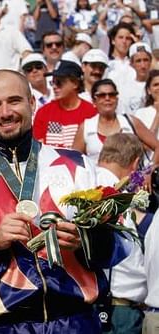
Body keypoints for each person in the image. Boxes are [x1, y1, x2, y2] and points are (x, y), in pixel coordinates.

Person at [0, 69, 124, 333]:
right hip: (5, 326)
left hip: (75, 321)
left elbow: (118, 247)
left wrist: (86, 241)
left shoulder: (78, 165)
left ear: (32, 103)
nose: (5, 112)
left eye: (14, 101)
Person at [97, 133, 148, 334]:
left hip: (92, 305)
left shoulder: (81, 182)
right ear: (135, 163)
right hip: (118, 311)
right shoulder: (118, 195)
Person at [72, 79, 159, 164]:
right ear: (94, 101)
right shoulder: (86, 127)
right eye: (102, 95)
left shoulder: (131, 122)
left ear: (117, 99)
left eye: (112, 95)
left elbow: (157, 146)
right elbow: (73, 160)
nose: (107, 98)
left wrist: (149, 170)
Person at [33, 60, 97, 148]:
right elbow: (38, 148)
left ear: (75, 83)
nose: (54, 87)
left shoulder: (91, 112)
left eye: (59, 82)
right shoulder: (43, 113)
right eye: (53, 82)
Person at [135, 69, 159, 139]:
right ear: (149, 90)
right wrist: (157, 115)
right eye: (156, 85)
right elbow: (145, 145)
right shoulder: (141, 113)